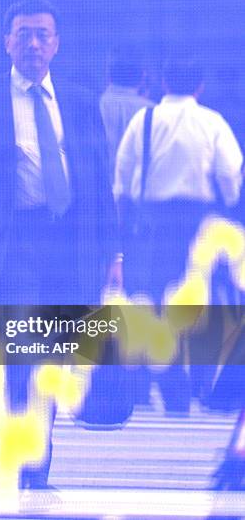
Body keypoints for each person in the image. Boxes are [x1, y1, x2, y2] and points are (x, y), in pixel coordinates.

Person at [0, 0, 120, 489]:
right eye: (24, 33)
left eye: (43, 34)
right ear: (6, 41)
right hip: (14, 245)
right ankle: (30, 463)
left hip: (70, 245)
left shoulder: (80, 101)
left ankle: (36, 448)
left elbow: (100, 184)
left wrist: (113, 256)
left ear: (56, 43)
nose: (33, 43)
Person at [114, 54, 243, 414]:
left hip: (151, 223)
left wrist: (123, 223)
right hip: (200, 223)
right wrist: (228, 201)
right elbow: (231, 173)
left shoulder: (145, 119)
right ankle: (201, 382)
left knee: (153, 302)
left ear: (162, 83)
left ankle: (167, 383)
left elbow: (121, 177)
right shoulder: (212, 122)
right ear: (200, 86)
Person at [100, 45, 154, 181]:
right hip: (139, 190)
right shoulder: (154, 111)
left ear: (108, 76)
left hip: (101, 189)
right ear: (143, 77)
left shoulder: (93, 106)